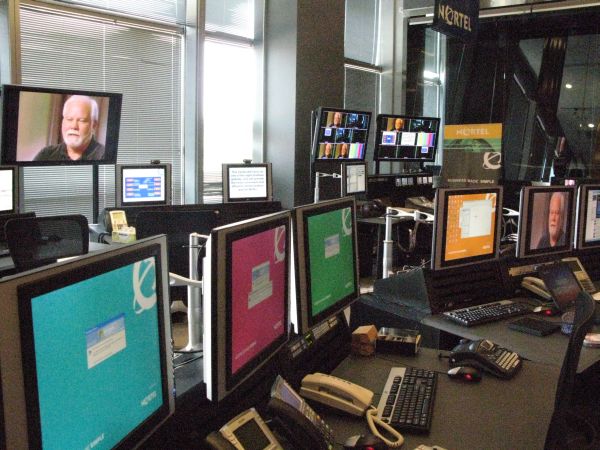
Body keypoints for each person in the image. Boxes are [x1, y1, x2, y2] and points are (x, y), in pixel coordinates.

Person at [34, 95, 105, 161]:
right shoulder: (46, 155)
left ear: (94, 125)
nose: (74, 126)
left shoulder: (104, 156)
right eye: (69, 119)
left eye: (81, 120)